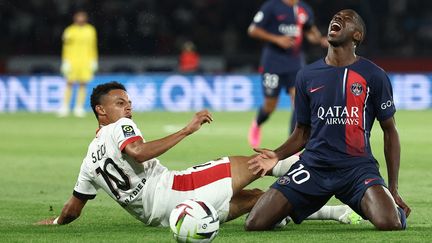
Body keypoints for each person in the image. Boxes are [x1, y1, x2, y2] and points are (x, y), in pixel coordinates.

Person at [37, 81, 360, 227]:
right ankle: (333, 174)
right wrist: (187, 129)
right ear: (101, 111)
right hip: (176, 189)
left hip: (166, 217)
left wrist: (55, 222)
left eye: (128, 102)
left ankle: (334, 213)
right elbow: (137, 151)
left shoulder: (88, 162)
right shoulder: (117, 128)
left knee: (256, 197)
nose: (128, 107)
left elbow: (73, 208)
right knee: (256, 162)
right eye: (120, 103)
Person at [245, 9, 411, 231]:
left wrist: (393, 188)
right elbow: (302, 132)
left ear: (357, 36)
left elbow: (390, 131)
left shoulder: (374, 75)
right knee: (255, 223)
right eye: (335, 17)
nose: (337, 18)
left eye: (347, 18)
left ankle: (390, 206)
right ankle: (289, 207)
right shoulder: (306, 75)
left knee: (390, 223)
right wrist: (276, 155)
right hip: (314, 166)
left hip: (357, 169)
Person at [248, 0, 328, 148]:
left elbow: (309, 31)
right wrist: (277, 39)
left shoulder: (304, 9)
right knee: (270, 105)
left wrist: (321, 39)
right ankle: (257, 123)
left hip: (295, 64)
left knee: (299, 102)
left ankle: (294, 145)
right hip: (272, 63)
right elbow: (253, 30)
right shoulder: (272, 6)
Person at [58, 10, 98, 117]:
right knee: (69, 83)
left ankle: (79, 107)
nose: (80, 19)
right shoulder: (70, 31)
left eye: (82, 17)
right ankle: (65, 107)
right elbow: (66, 47)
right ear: (75, 19)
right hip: (72, 60)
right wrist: (65, 61)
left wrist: (94, 60)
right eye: (78, 17)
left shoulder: (90, 30)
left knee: (83, 84)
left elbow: (93, 46)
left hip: (85, 61)